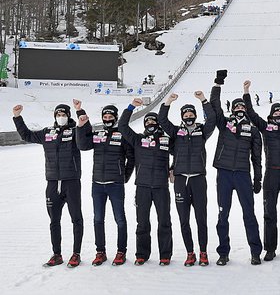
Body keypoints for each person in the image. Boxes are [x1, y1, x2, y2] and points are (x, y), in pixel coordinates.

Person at [13, 103, 84, 268]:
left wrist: (80, 119)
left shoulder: (75, 132)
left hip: (71, 181)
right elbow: (26, 135)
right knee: (54, 221)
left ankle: (76, 254)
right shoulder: (47, 133)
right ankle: (57, 254)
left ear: (68, 115)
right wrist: (17, 117)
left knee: (76, 219)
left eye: (63, 114)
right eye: (58, 114)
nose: (61, 116)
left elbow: (84, 138)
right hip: (52, 182)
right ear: (54, 116)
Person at [210, 70, 264, 266]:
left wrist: (258, 179)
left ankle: (255, 252)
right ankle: (223, 252)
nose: (240, 109)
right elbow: (215, 106)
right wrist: (218, 83)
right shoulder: (224, 124)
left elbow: (257, 157)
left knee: (249, 214)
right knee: (223, 214)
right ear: (232, 110)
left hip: (242, 175)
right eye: (236, 107)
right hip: (224, 174)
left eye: (242, 106)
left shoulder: (254, 130)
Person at [244, 80, 280, 261]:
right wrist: (246, 92)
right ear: (271, 114)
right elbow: (251, 114)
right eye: (276, 111)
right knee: (269, 213)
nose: (279, 113)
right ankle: (270, 249)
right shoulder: (265, 127)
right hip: (271, 174)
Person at [158, 91, 216, 266]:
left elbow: (212, 119)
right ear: (182, 117)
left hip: (198, 179)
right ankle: (190, 253)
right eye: (186, 114)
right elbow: (162, 120)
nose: (189, 117)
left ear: (195, 116)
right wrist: (168, 102)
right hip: (181, 180)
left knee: (201, 219)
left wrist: (203, 100)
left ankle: (203, 252)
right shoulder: (176, 132)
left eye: (191, 114)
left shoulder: (202, 131)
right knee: (184, 219)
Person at [75, 100, 135, 267]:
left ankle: (121, 251)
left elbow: (132, 158)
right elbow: (82, 145)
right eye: (105, 116)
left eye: (110, 116)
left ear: (115, 118)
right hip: (97, 184)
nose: (107, 119)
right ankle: (100, 252)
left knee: (120, 219)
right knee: (98, 219)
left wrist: (125, 176)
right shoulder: (98, 134)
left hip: (115, 184)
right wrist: (80, 122)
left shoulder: (122, 134)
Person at [119, 99, 173, 266]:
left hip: (161, 187)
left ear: (158, 123)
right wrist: (131, 107)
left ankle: (165, 255)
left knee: (164, 222)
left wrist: (173, 168)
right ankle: (142, 254)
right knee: (142, 223)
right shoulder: (137, 139)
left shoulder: (166, 140)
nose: (150, 122)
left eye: (152, 120)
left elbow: (182, 152)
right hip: (142, 187)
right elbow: (122, 126)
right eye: (147, 121)